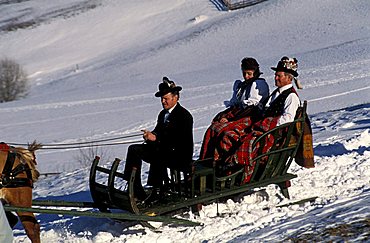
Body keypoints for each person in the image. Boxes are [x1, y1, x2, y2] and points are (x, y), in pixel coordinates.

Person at [214, 56, 302, 183]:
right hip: (262, 130)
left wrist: (266, 123)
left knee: (248, 142)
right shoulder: (276, 93)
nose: (276, 78)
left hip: (273, 136)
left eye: (279, 76)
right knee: (229, 134)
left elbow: (287, 119)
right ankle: (226, 167)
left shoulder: (291, 97)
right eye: (276, 75)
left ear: (289, 78)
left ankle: (239, 171)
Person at [122, 77, 194, 204]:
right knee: (134, 149)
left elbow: (177, 140)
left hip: (180, 154)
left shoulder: (184, 116)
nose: (163, 101)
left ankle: (157, 191)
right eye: (162, 99)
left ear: (175, 98)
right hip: (164, 148)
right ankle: (134, 186)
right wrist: (150, 135)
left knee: (158, 153)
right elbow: (158, 131)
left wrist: (156, 138)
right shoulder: (163, 114)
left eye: (166, 99)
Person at [199, 57, 269, 160]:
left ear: (255, 72)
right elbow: (236, 104)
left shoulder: (258, 84)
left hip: (251, 117)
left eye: (249, 73)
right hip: (240, 114)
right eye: (244, 73)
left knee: (222, 130)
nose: (246, 77)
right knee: (213, 128)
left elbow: (250, 107)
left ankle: (221, 160)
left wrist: (230, 119)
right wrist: (224, 114)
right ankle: (207, 160)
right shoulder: (242, 85)